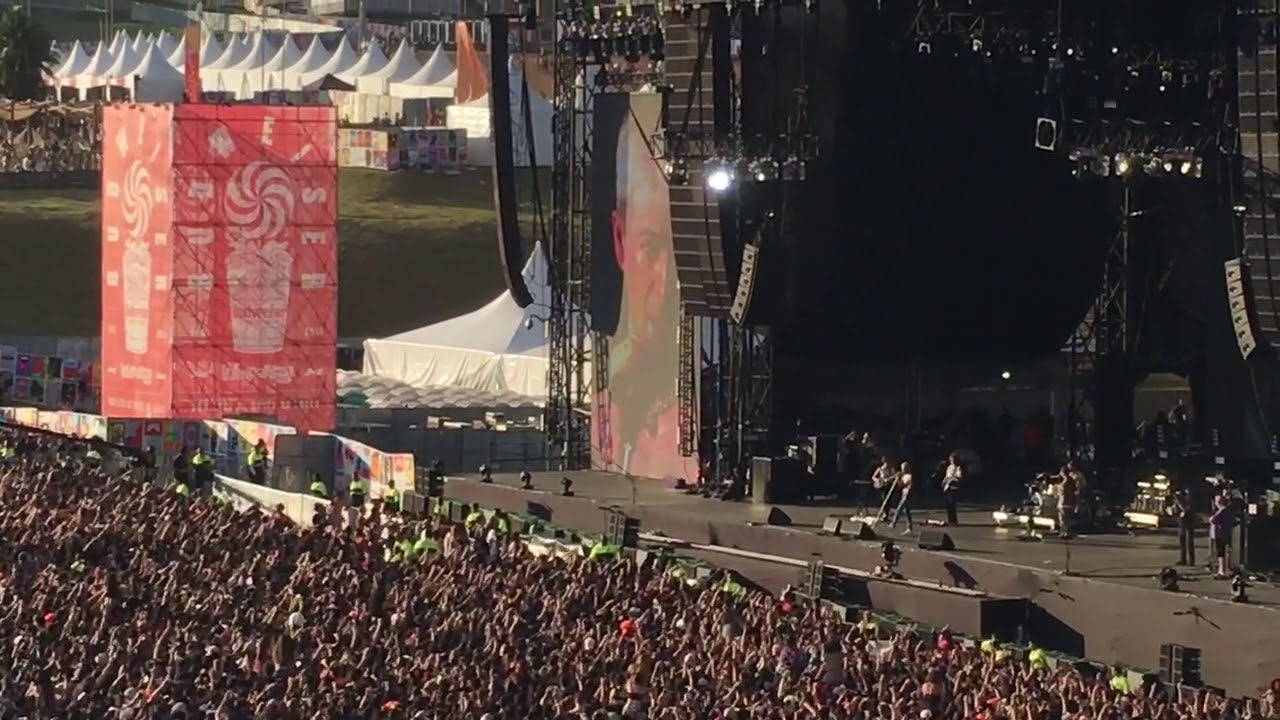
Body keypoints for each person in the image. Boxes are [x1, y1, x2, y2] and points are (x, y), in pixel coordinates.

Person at [595, 96, 698, 483]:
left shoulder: (706, 416)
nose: (669, 281)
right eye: (651, 248)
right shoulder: (610, 412)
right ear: (620, 239)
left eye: (684, 249)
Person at [1169, 488, 1196, 566]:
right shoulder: (1180, 502)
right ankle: (1183, 559)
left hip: (1189, 524)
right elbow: (1174, 512)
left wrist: (1179, 503)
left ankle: (1191, 560)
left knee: (1189, 542)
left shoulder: (1189, 503)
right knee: (1182, 543)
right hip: (1181, 524)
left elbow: (1186, 510)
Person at [890, 461, 915, 533]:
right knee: (906, 512)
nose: (902, 470)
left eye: (903, 468)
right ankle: (909, 527)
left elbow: (904, 485)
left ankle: (893, 523)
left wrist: (898, 480)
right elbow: (900, 486)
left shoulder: (909, 476)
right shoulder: (904, 476)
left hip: (907, 495)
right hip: (904, 494)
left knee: (899, 509)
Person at [941, 452, 963, 526]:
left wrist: (952, 479)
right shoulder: (949, 467)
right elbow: (947, 475)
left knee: (952, 504)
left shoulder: (958, 467)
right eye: (951, 459)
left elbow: (959, 477)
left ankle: (954, 520)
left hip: (954, 487)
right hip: (947, 487)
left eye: (953, 459)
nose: (952, 461)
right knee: (948, 505)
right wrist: (944, 481)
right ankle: (950, 520)